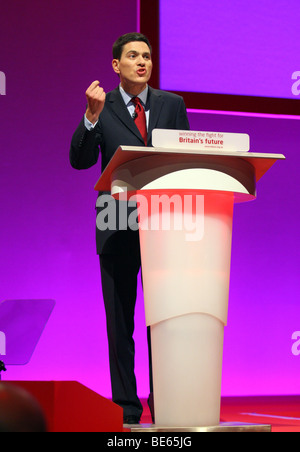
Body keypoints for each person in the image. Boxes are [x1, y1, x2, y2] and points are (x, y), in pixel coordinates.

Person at [70, 32, 190, 424]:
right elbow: (80, 160)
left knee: (164, 322)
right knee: (120, 324)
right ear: (115, 65)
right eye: (134, 56)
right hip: (117, 224)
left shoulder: (172, 105)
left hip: (163, 224)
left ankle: (169, 405)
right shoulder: (102, 107)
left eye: (148, 56)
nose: (143, 62)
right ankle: (127, 410)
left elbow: (185, 158)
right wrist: (90, 117)